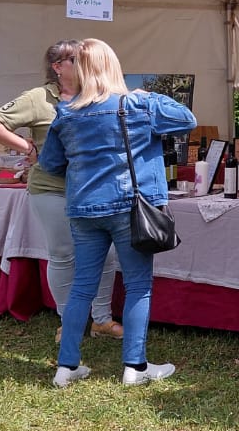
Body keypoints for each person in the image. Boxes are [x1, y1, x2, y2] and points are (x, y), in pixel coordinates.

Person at [38, 38, 196, 388]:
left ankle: (66, 367)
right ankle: (134, 367)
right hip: (130, 207)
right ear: (113, 66)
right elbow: (187, 118)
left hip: (83, 208)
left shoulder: (66, 113)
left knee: (82, 287)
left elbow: (49, 163)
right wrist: (147, 95)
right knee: (138, 284)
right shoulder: (137, 104)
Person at [0, 40, 123, 342]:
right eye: (76, 59)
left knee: (107, 254)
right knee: (63, 254)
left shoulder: (96, 93)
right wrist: (25, 146)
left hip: (91, 190)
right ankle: (68, 321)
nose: (84, 63)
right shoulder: (38, 97)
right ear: (58, 67)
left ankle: (101, 319)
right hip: (52, 188)